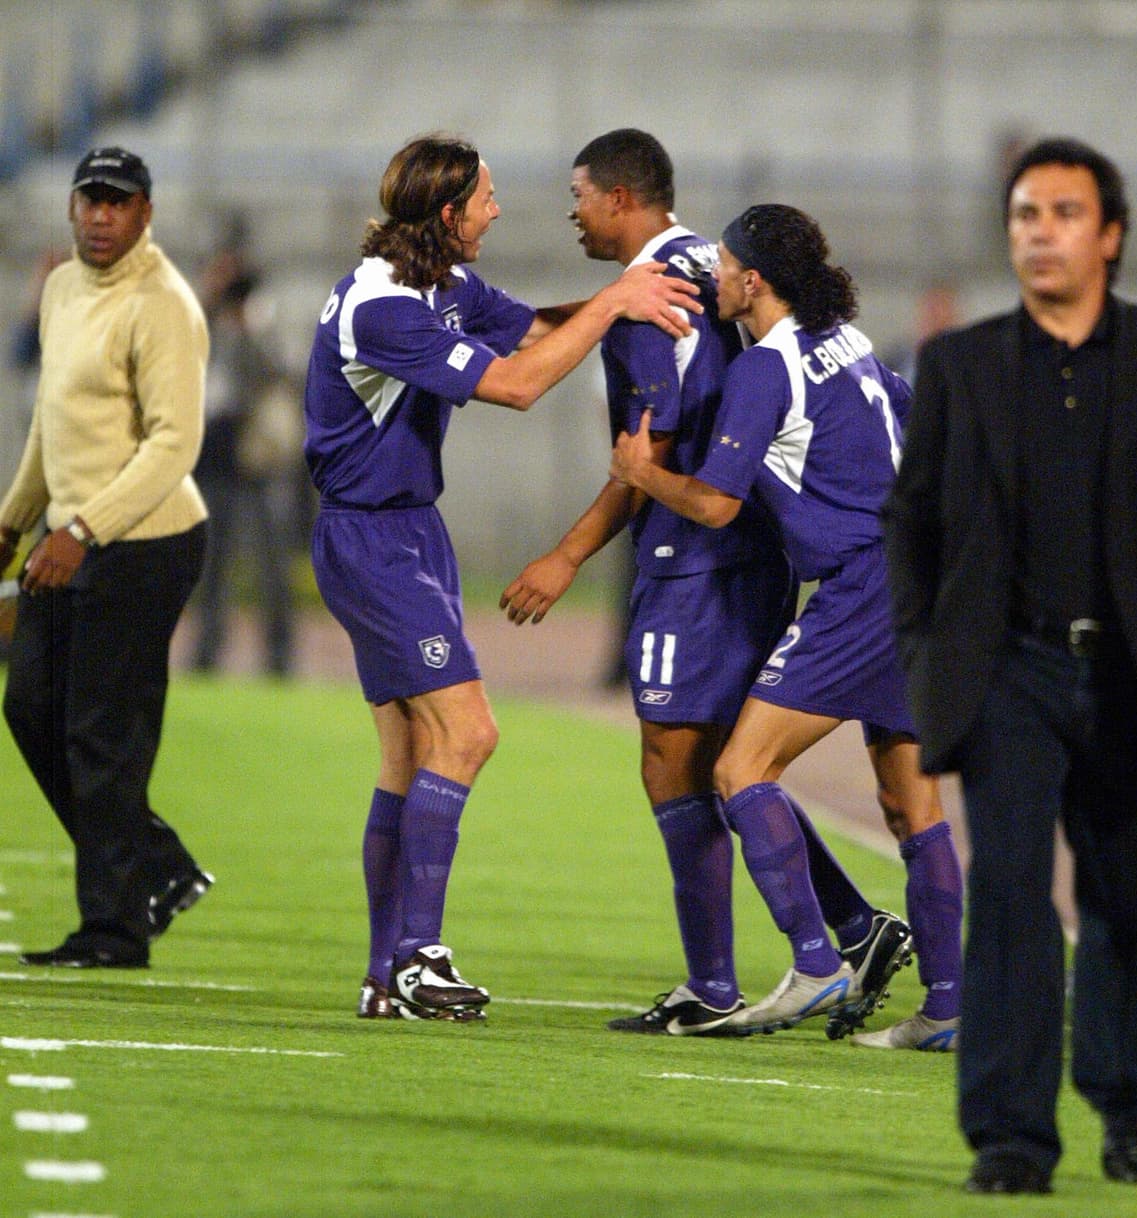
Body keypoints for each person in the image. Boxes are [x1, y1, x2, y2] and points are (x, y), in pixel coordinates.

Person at [881, 138, 1137, 1193]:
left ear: (1110, 235)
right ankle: (1009, 1139)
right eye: (1024, 214)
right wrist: (928, 654)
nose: (1039, 232)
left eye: (1062, 212)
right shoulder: (960, 363)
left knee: (1133, 903)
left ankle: (1130, 1109)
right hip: (1008, 673)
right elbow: (911, 523)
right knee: (1006, 896)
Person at [303, 132, 702, 1022]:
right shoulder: (383, 306)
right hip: (370, 539)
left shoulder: (442, 285)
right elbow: (520, 385)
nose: (497, 210)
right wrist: (618, 300)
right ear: (449, 214)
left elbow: (535, 331)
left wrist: (636, 299)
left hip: (410, 530)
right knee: (470, 732)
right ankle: (419, 957)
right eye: (485, 199)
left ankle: (385, 976)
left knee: (411, 754)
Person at [503, 129, 878, 1037]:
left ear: (620, 198)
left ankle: (722, 981)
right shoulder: (702, 264)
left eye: (579, 194)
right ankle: (855, 926)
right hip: (748, 554)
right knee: (722, 760)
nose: (571, 211)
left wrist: (566, 555)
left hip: (699, 556)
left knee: (677, 764)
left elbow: (651, 454)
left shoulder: (651, 304)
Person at [610, 203, 964, 1045]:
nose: (715, 277)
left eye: (725, 266)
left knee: (740, 769)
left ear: (755, 280)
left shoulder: (765, 369)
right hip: (922, 577)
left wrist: (640, 473)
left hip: (865, 587)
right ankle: (948, 1007)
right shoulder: (847, 341)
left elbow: (716, 503)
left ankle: (816, 962)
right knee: (910, 800)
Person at [0, 146, 215, 968]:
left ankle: (115, 927)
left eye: (117, 202)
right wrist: (14, 520)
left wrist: (82, 530)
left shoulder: (163, 304)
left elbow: (174, 445)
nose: (100, 214)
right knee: (31, 710)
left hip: (145, 542)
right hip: (68, 537)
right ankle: (156, 867)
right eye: (89, 198)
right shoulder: (61, 288)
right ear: (71, 206)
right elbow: (49, 422)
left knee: (101, 732)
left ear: (145, 214)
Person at [190, 260, 297, 676]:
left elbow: (282, 372)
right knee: (211, 567)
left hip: (258, 466)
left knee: (272, 566)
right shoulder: (202, 326)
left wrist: (248, 327)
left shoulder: (262, 323)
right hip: (213, 465)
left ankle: (279, 657)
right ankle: (207, 651)